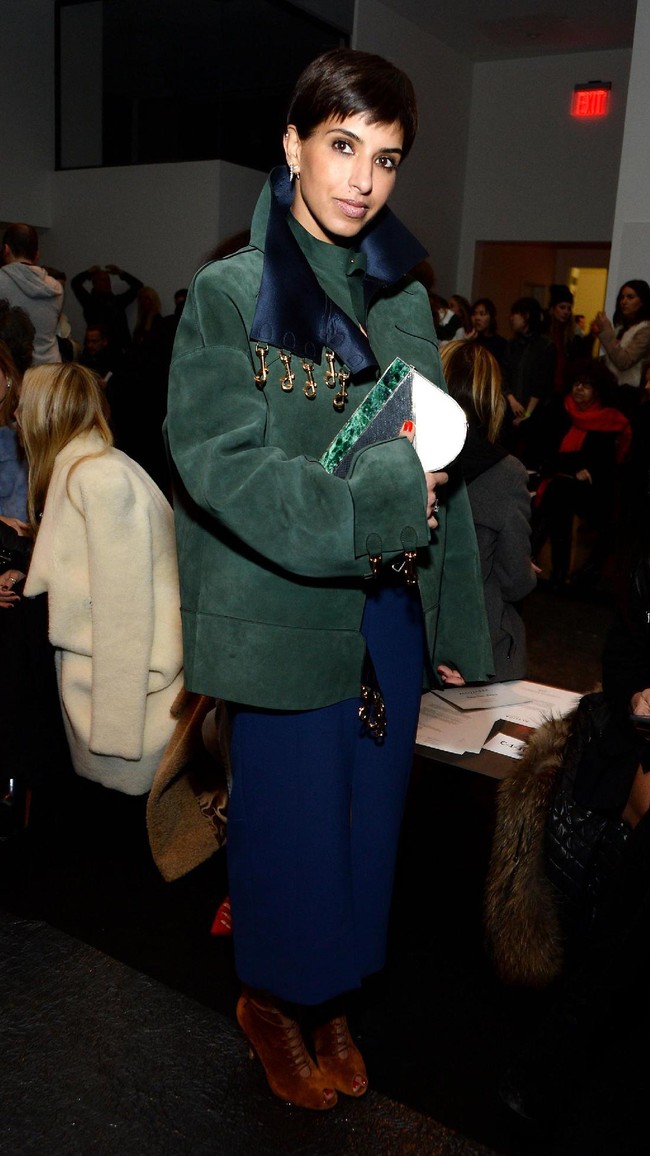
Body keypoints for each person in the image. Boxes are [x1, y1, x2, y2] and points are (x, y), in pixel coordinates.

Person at [165, 47, 492, 1111]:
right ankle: (272, 999)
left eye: (385, 158)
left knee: (368, 829)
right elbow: (226, 470)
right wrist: (383, 506)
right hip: (280, 610)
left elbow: (434, 468)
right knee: (289, 830)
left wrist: (449, 621)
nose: (361, 179)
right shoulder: (228, 293)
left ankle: (329, 994)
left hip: (387, 615)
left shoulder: (400, 296)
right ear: (294, 143)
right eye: (342, 146)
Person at [19, 362, 184, 796]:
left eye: (22, 407)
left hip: (128, 705)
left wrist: (113, 731)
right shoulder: (94, 468)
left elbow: (125, 609)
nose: (14, 417)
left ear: (44, 414)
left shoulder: (99, 479)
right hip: (115, 692)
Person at [441, 340, 536, 680]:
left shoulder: (407, 457)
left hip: (420, 643)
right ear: (491, 399)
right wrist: (526, 567)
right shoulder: (507, 473)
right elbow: (515, 582)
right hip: (479, 652)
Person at [531, 360, 632, 590]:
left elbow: (602, 465)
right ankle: (556, 571)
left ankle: (554, 569)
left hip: (595, 490)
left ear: (597, 391)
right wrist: (572, 467)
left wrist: (571, 466)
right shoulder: (561, 409)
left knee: (558, 493)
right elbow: (548, 452)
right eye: (576, 383)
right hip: (562, 481)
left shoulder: (607, 420)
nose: (578, 389)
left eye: (586, 386)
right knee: (558, 494)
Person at [502, 295, 556, 468]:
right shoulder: (512, 344)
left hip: (535, 413)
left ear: (526, 316)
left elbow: (541, 382)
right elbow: (504, 374)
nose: (511, 318)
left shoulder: (545, 345)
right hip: (510, 408)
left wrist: (527, 414)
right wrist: (511, 399)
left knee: (528, 459)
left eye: (515, 314)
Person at [0, 223, 63, 364]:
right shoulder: (56, 287)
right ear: (37, 254)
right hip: (50, 370)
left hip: (15, 370)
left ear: (6, 249)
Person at [592, 279, 650, 413]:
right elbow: (611, 358)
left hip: (630, 394)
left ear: (642, 301)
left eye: (630, 297)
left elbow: (623, 361)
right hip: (613, 390)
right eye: (622, 297)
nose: (624, 301)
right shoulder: (621, 328)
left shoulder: (646, 329)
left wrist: (606, 331)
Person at [71, 263, 143, 353]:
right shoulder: (89, 302)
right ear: (95, 283)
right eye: (102, 280)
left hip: (119, 351)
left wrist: (120, 273)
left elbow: (138, 286)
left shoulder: (118, 301)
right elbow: (75, 283)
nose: (107, 283)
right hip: (97, 351)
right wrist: (88, 272)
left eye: (108, 280)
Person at [467, 297, 508, 366]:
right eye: (474, 314)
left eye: (482, 314)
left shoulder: (501, 344)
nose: (477, 318)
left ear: (491, 318)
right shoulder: (469, 339)